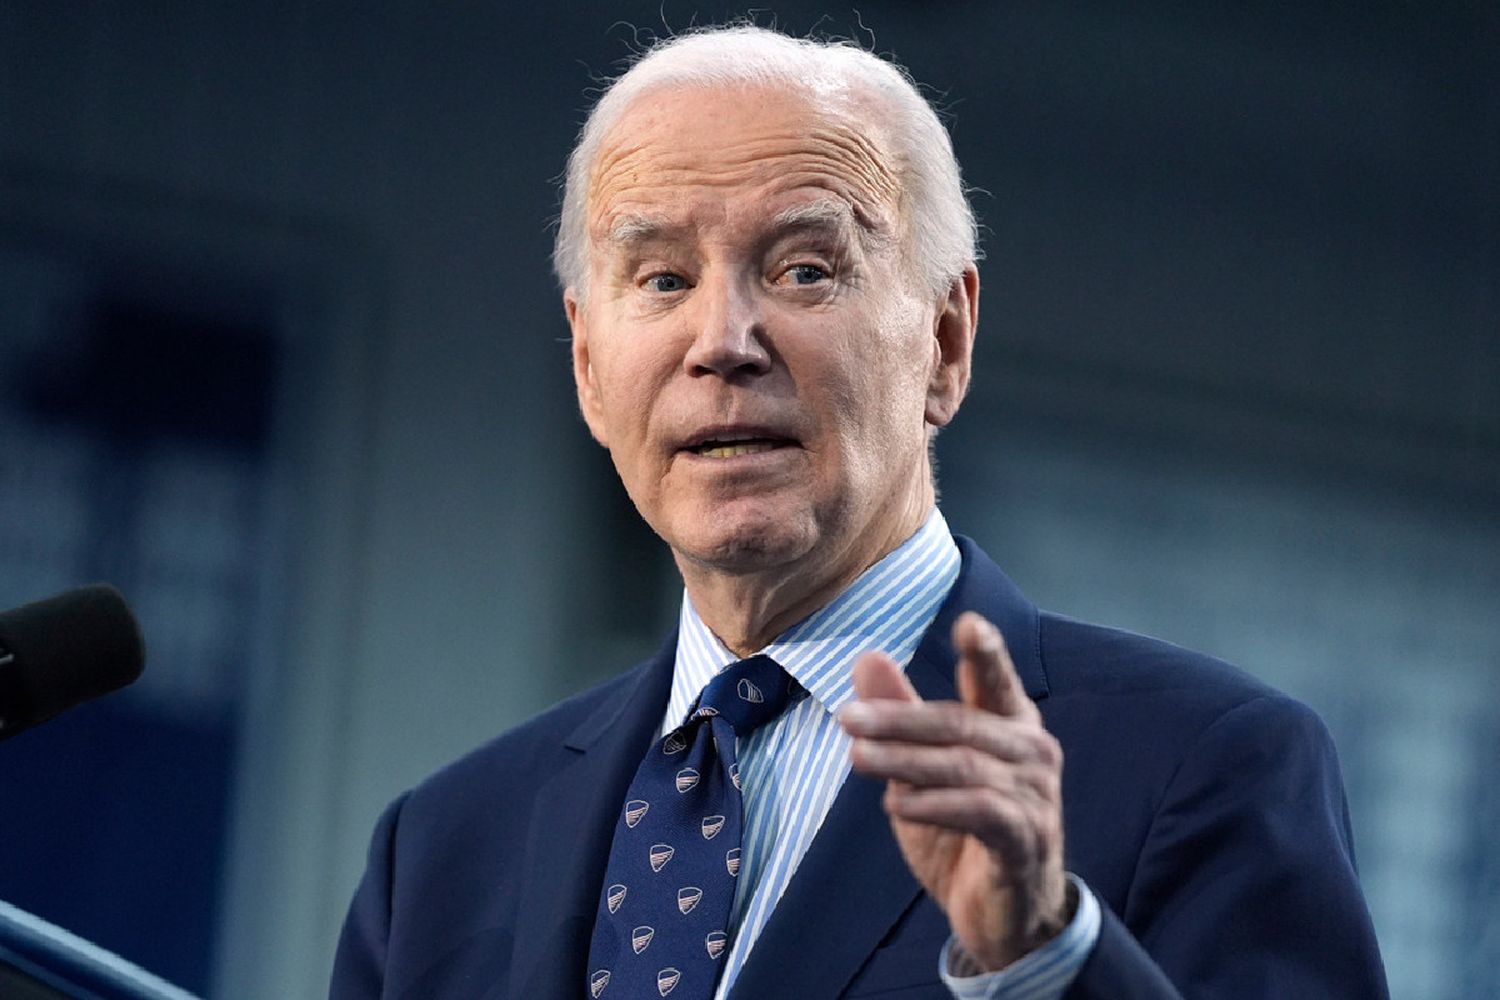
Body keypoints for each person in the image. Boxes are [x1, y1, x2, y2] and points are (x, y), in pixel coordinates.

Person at [331, 25, 1387, 1000]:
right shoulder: (438, 854)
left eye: (804, 268)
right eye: (660, 277)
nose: (722, 340)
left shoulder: (1205, 767)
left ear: (945, 341)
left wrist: (1047, 956)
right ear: (589, 368)